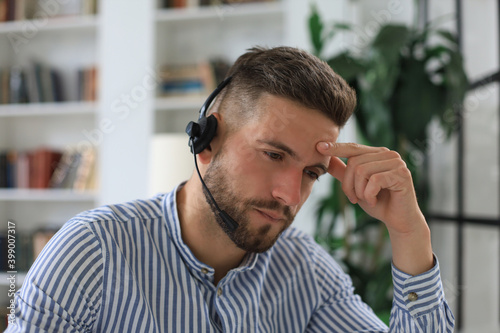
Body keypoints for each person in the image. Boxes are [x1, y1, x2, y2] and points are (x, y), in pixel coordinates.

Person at [8, 46, 454, 332]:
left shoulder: (305, 274)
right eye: (274, 155)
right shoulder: (92, 252)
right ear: (207, 141)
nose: (290, 195)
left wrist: (410, 233)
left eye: (311, 173)